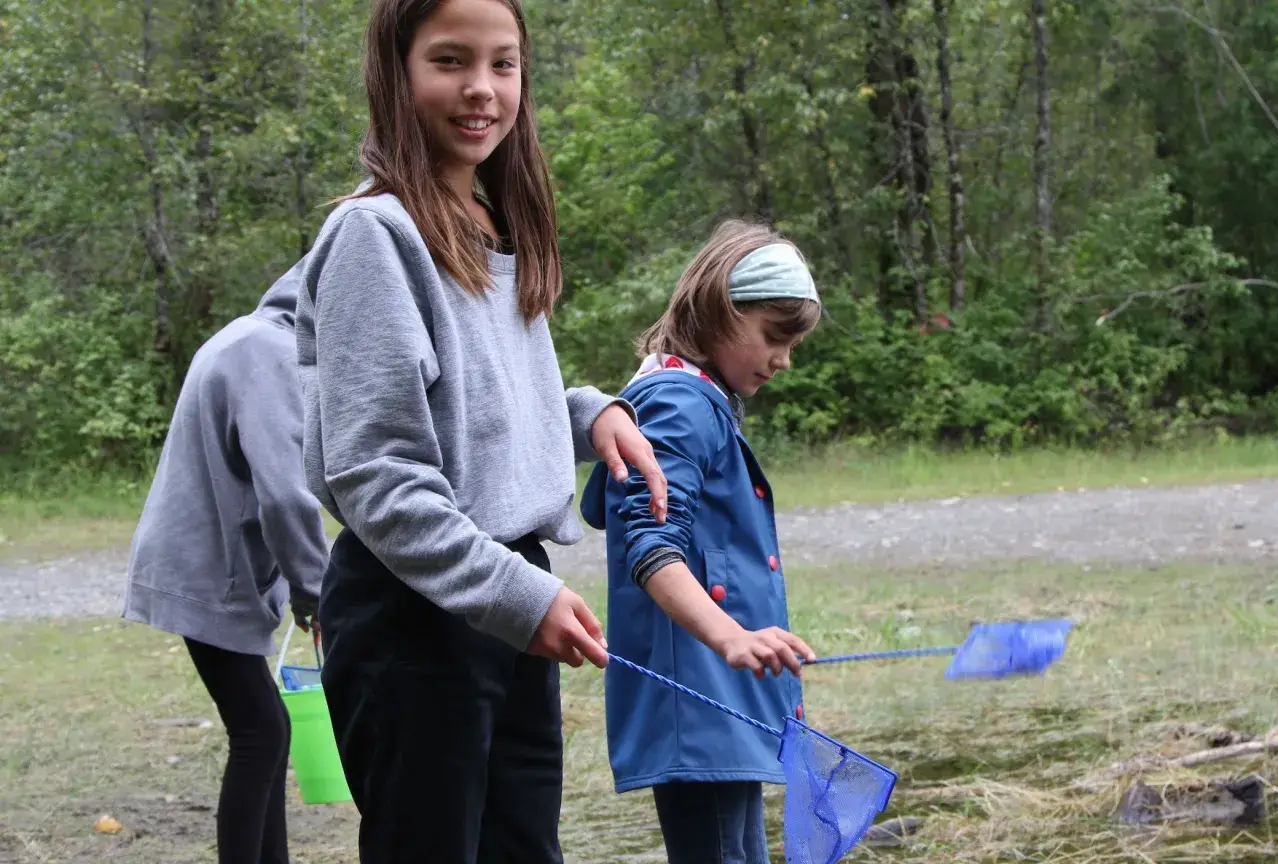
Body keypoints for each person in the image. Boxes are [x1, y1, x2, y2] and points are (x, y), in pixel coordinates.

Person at [291, 0, 667, 861]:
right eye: (450, 60)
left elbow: (483, 402)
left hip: (504, 598)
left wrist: (590, 413)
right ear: (397, 70)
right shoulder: (372, 236)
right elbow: (377, 473)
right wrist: (515, 596)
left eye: (503, 63)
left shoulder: (494, 224)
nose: (481, 89)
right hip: (415, 617)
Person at [579, 220, 824, 864]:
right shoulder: (678, 403)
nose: (783, 360)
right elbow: (651, 546)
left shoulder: (704, 400)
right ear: (720, 309)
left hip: (726, 695)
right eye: (774, 337)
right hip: (700, 695)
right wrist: (731, 638)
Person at [123, 259, 327, 864]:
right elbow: (285, 494)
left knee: (266, 729)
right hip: (205, 574)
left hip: (202, 567)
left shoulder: (247, 335)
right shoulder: (267, 353)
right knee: (261, 732)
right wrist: (315, 592)